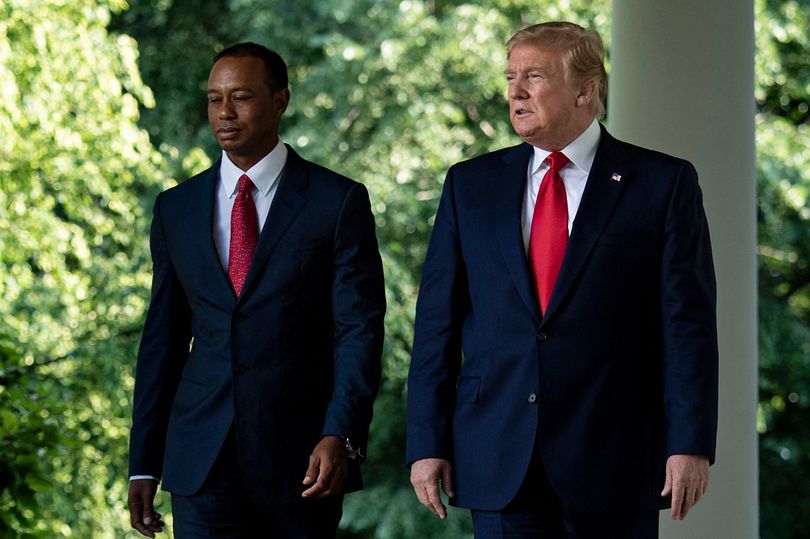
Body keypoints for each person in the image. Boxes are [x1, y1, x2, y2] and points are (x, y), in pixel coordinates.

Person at [406, 22, 718, 538]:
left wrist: (690, 442)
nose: (515, 91)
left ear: (585, 90)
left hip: (614, 453)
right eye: (510, 77)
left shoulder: (663, 183)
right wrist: (426, 443)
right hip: (498, 451)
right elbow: (436, 325)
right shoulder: (470, 184)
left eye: (533, 76)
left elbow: (687, 326)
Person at [127, 42, 385, 538]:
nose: (224, 112)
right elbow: (162, 340)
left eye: (241, 97)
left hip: (303, 460)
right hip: (201, 458)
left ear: (280, 100)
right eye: (214, 99)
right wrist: (144, 462)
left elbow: (359, 330)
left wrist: (340, 433)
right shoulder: (175, 209)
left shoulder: (338, 202)